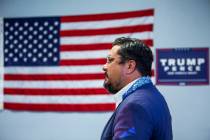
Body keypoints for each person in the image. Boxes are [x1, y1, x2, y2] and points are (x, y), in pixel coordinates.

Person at [101, 37, 173, 140]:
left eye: (110, 60)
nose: (104, 67)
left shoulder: (134, 106)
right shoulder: (152, 95)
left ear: (130, 66)